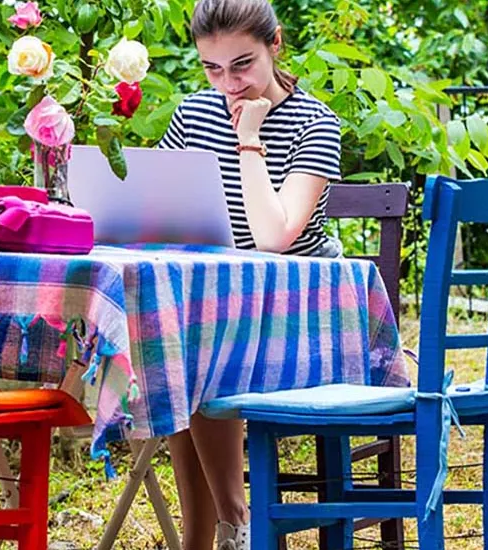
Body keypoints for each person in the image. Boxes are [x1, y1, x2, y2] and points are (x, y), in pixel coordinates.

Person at [157, 0, 343, 548]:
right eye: (212, 69)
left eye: (242, 64)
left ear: (275, 44)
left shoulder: (315, 123)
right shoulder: (194, 114)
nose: (229, 84)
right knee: (182, 336)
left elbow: (274, 236)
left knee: (200, 346)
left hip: (294, 311)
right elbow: (162, 208)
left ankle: (233, 521)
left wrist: (249, 136)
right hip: (216, 301)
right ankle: (216, 531)